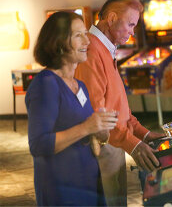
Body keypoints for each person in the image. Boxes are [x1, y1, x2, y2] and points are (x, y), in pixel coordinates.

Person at [75, 0, 165, 206]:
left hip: (114, 143)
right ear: (112, 18)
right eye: (131, 25)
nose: (132, 33)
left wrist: (142, 134)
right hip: (101, 147)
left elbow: (117, 106)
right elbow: (96, 115)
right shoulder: (92, 51)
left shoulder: (105, 49)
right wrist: (132, 144)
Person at [25, 11, 118, 206]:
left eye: (86, 33)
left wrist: (100, 131)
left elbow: (84, 131)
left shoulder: (79, 86)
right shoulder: (46, 85)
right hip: (62, 188)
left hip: (88, 181)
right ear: (59, 43)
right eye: (78, 35)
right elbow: (39, 145)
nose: (87, 41)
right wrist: (87, 127)